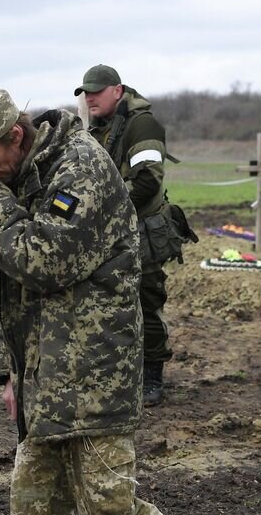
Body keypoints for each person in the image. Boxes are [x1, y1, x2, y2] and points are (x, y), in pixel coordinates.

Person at [0, 88, 248, 515]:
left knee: (108, 506)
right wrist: (9, 371)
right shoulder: (22, 174)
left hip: (94, 370)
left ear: (15, 135)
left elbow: (43, 260)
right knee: (34, 506)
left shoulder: (79, 168)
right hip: (46, 372)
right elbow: (14, 285)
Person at [75, 64, 195, 406]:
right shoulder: (96, 128)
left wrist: (98, 206)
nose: (90, 98)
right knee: (108, 306)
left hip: (141, 232)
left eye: (97, 92)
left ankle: (152, 377)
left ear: (117, 90)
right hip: (110, 233)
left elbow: (147, 182)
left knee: (146, 303)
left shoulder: (142, 125)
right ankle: (119, 372)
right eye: (86, 93)